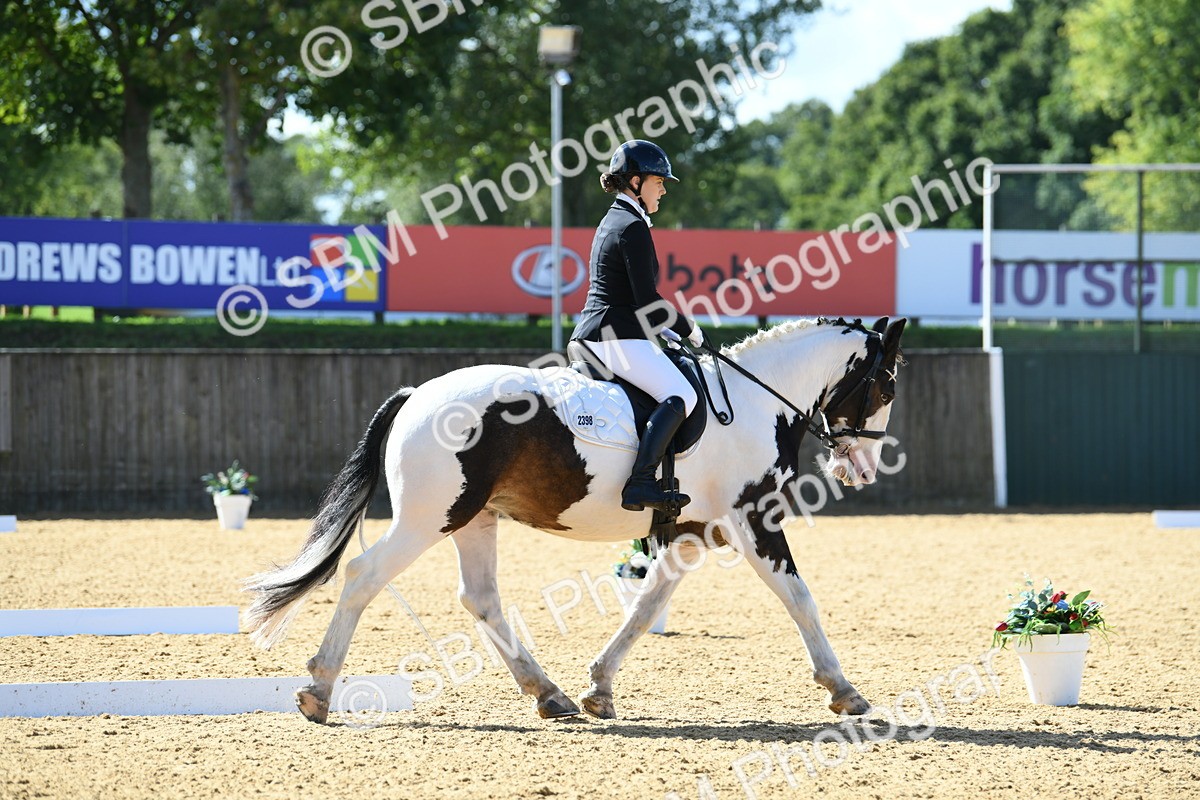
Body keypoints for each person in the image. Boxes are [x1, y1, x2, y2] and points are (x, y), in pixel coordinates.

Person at [571, 140, 704, 513]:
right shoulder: (631, 227)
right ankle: (641, 482)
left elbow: (630, 295)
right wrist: (688, 327)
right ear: (634, 181)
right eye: (658, 181)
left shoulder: (616, 220)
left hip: (603, 331)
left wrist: (665, 331)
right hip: (616, 336)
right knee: (683, 396)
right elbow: (647, 300)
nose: (663, 188)